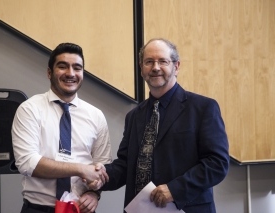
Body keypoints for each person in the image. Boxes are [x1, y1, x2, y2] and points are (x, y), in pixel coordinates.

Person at [94, 38, 229, 213]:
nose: (155, 67)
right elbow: (125, 167)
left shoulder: (203, 108)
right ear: (142, 68)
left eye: (163, 61)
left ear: (176, 66)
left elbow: (217, 163)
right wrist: (100, 177)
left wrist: (175, 189)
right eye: (149, 62)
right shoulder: (134, 116)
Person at [12, 42, 112, 213]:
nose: (70, 73)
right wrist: (81, 169)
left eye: (77, 68)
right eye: (63, 66)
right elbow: (28, 163)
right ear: (49, 72)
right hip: (39, 209)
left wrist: (95, 193)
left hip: (80, 209)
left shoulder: (96, 116)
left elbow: (103, 166)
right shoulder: (29, 109)